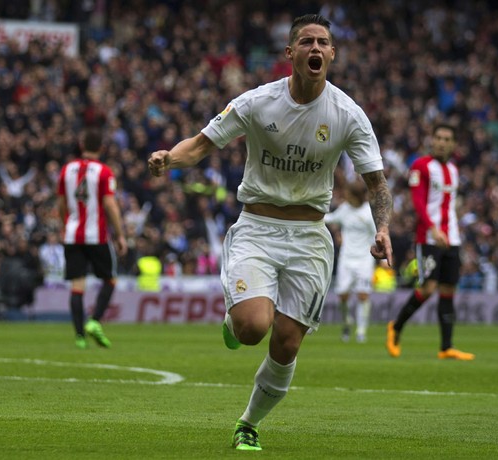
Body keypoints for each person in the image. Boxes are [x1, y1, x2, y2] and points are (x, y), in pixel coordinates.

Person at [148, 14, 392, 451]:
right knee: (252, 328)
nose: (315, 49)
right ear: (291, 53)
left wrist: (385, 227)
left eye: (323, 43)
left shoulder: (348, 114)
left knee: (287, 341)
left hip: (310, 235)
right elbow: (202, 143)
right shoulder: (257, 102)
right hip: (258, 227)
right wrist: (171, 158)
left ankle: (248, 423)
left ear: (332, 54)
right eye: (306, 42)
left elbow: (375, 182)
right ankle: (234, 316)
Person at [386, 123, 474, 361]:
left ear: (453, 144)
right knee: (428, 288)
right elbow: (418, 203)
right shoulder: (421, 166)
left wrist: (450, 231)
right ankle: (396, 327)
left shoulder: (454, 170)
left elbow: (449, 206)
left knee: (448, 290)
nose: (442, 142)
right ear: (432, 140)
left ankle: (446, 346)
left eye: (447, 139)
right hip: (428, 237)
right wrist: (433, 229)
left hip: (451, 237)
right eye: (438, 138)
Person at [58, 127, 128, 349]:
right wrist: (120, 235)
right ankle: (95, 321)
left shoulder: (66, 170)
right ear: (102, 148)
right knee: (110, 280)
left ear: (81, 145)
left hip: (72, 235)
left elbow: (61, 204)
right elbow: (110, 204)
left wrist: (65, 226)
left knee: (77, 285)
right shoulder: (104, 172)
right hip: (96, 236)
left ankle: (79, 337)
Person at [324, 178, 377, 343]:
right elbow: (331, 219)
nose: (345, 196)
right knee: (342, 296)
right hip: (346, 258)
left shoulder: (368, 213)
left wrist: (379, 256)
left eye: (349, 193)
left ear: (356, 195)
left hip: (364, 259)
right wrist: (312, 213)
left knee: (362, 295)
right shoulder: (345, 209)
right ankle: (347, 322)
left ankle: (361, 331)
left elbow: (376, 235)